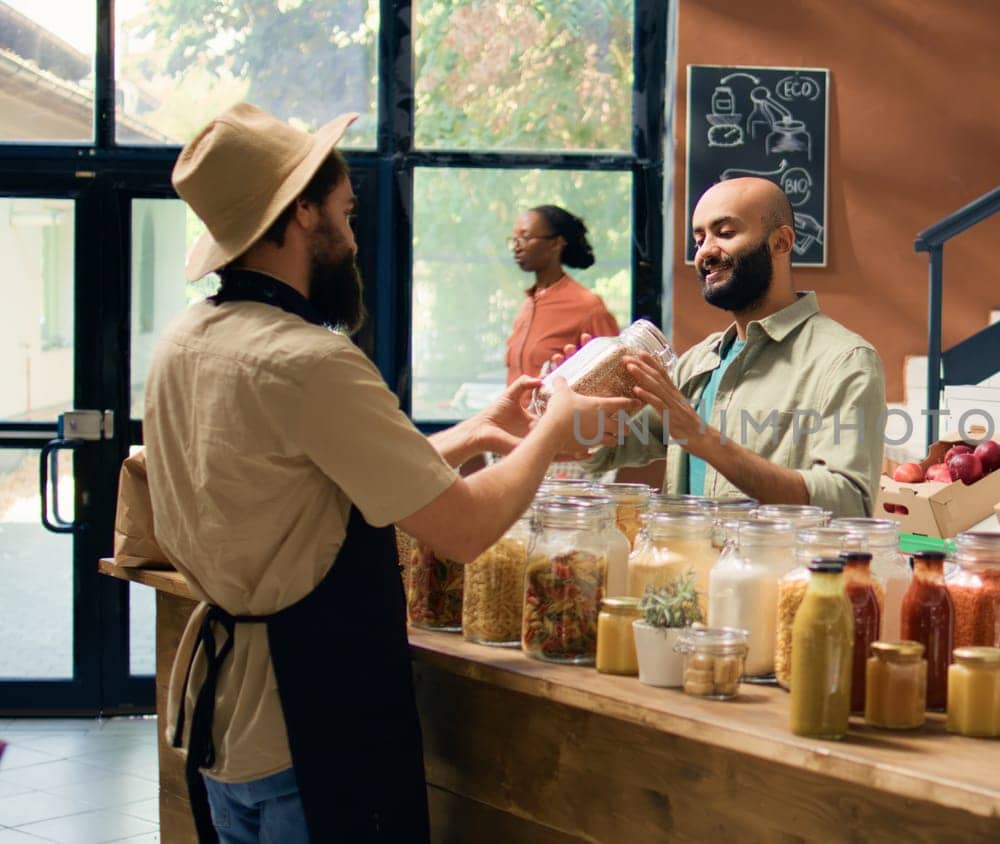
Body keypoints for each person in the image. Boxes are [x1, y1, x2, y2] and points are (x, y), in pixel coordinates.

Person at [140, 103, 629, 843]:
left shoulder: (185, 341)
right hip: (311, 727)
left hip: (224, 727)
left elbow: (306, 491)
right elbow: (463, 529)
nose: (355, 236)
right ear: (304, 215)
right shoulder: (310, 361)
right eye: (347, 211)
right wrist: (555, 428)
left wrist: (475, 433)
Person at [581, 177, 887, 516]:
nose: (705, 252)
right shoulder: (697, 362)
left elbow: (848, 505)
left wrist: (704, 439)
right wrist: (584, 397)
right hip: (686, 566)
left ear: (781, 243)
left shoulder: (844, 361)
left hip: (778, 569)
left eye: (725, 233)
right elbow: (602, 450)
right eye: (699, 240)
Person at [504, 204, 620, 384]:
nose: (516, 247)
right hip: (516, 412)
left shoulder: (587, 306)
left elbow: (615, 377)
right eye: (514, 239)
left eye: (525, 237)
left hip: (558, 412)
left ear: (556, 243)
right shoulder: (528, 305)